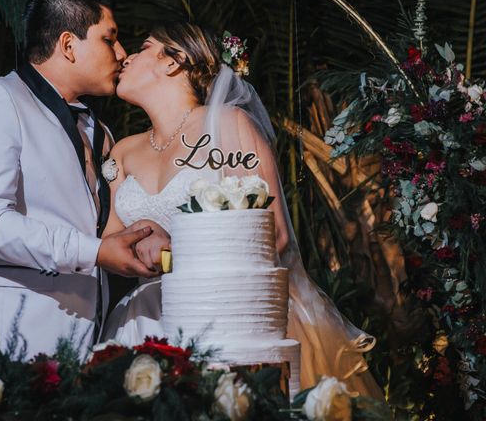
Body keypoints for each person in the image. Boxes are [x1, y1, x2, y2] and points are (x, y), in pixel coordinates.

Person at [101, 22, 384, 399]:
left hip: (230, 311)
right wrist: (140, 243)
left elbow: (275, 234)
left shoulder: (229, 125)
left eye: (144, 47)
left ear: (175, 62)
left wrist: (173, 248)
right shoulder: (122, 151)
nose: (127, 57)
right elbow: (109, 243)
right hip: (145, 320)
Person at [0, 0, 165, 365]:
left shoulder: (100, 132)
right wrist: (96, 251)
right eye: (109, 39)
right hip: (4, 345)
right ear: (68, 45)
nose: (121, 52)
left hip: (82, 346)